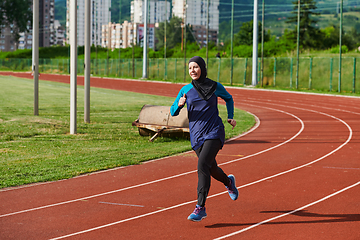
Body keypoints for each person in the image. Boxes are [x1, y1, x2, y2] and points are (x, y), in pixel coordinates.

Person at [170, 56, 239, 222]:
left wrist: (230, 116)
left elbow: (228, 98)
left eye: (195, 67)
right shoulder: (185, 90)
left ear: (202, 68)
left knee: (202, 165)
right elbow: (173, 112)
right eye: (190, 68)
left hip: (214, 131)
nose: (192, 70)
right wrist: (179, 105)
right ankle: (228, 182)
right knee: (210, 168)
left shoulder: (215, 86)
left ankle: (200, 207)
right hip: (196, 135)